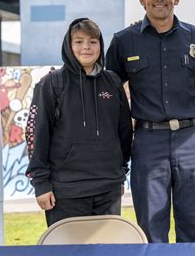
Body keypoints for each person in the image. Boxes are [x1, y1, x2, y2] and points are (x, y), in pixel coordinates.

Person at [106, 0, 195, 243]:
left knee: (194, 228)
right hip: (148, 141)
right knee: (150, 229)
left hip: (191, 140)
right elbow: (105, 90)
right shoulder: (124, 41)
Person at [25, 18, 132, 226]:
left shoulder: (113, 82)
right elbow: (36, 134)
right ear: (69, 45)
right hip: (66, 190)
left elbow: (124, 132)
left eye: (93, 41)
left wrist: (120, 173)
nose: (86, 47)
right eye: (79, 41)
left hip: (107, 188)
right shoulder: (52, 83)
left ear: (100, 45)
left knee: (106, 250)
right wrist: (41, 184)